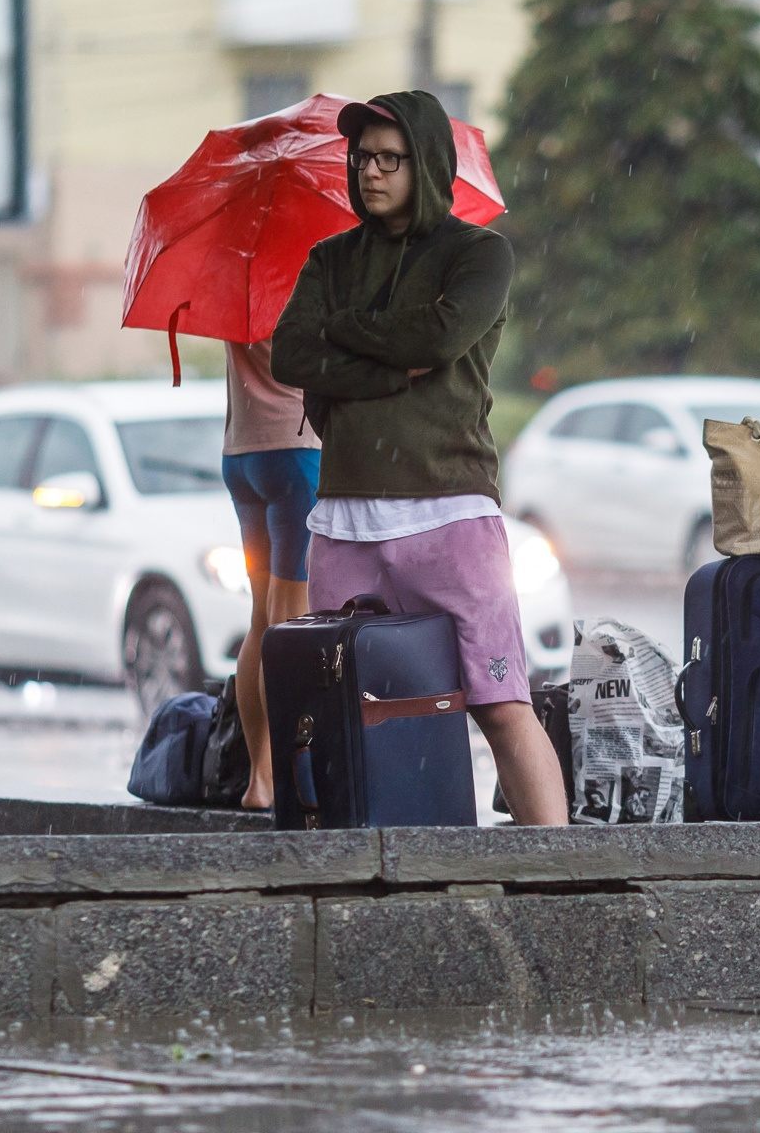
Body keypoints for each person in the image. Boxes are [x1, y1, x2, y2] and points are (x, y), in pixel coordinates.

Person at [270, 90, 568, 826]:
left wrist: (345, 338)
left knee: (500, 706)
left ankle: (562, 878)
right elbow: (290, 353)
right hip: (342, 524)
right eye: (363, 157)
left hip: (450, 516)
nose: (371, 171)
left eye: (390, 159)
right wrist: (377, 363)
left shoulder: (479, 254)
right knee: (340, 713)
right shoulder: (330, 259)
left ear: (427, 164)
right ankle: (352, 878)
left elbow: (436, 342)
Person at [220, 340, 320, 810]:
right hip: (294, 451)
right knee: (289, 622)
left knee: (261, 618)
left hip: (241, 453)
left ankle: (261, 779)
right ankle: (285, 777)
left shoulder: (236, 270)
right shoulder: (296, 270)